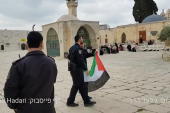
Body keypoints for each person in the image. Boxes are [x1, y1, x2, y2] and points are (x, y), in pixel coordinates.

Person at [3, 31, 57, 113]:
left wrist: (14, 106)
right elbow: (52, 81)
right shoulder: (51, 62)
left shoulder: (19, 65)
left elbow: (9, 90)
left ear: (27, 44)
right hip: (47, 109)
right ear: (41, 44)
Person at [67, 35, 96, 107]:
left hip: (74, 69)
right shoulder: (78, 49)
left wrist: (93, 54)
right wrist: (86, 69)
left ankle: (86, 101)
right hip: (77, 70)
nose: (82, 40)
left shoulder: (72, 48)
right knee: (76, 85)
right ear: (79, 39)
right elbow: (80, 60)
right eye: (82, 39)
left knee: (82, 85)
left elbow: (83, 55)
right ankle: (70, 102)